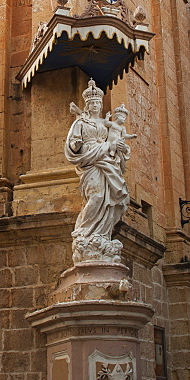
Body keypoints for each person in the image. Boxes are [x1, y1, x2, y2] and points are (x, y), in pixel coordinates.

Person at [65, 79, 133, 253]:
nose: (95, 105)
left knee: (108, 198)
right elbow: (73, 142)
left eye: (98, 103)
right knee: (95, 197)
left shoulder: (105, 123)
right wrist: (76, 144)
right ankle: (84, 233)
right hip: (90, 160)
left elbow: (115, 140)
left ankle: (101, 234)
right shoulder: (80, 122)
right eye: (92, 103)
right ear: (88, 105)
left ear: (101, 104)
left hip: (106, 160)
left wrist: (121, 148)